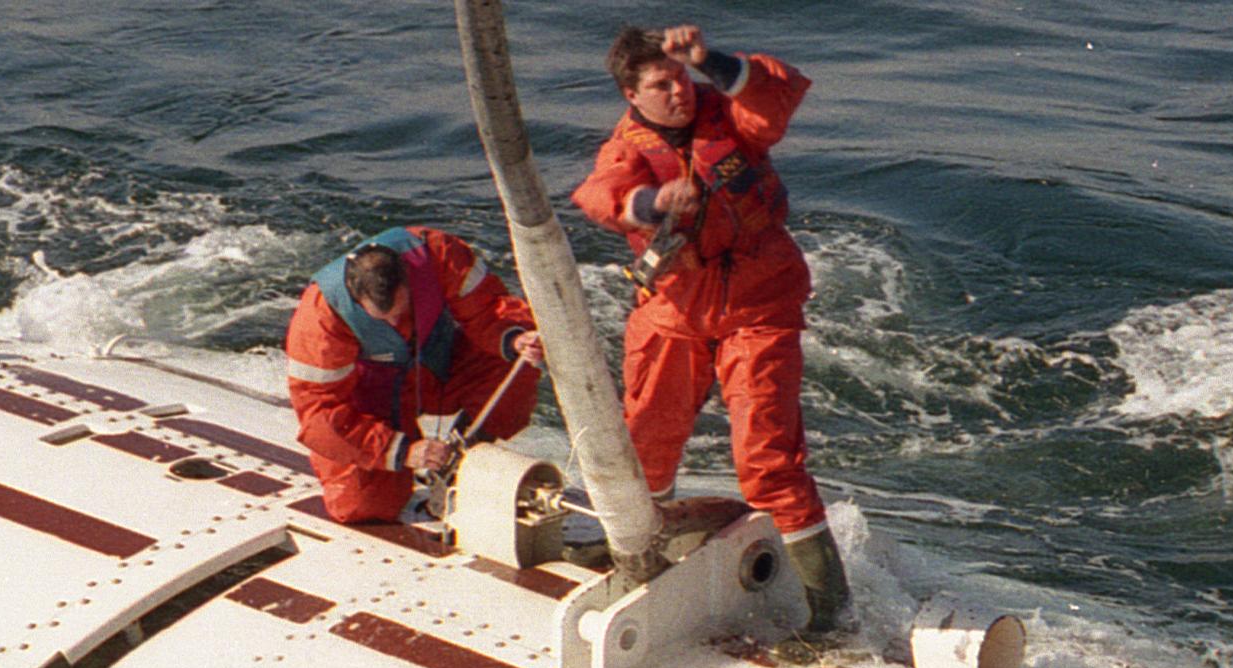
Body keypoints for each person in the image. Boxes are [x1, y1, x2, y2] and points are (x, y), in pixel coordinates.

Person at [572, 23, 847, 635]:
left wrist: (711, 60)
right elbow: (600, 196)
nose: (678, 92)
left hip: (759, 302)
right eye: (660, 84)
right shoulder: (626, 148)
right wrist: (652, 205)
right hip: (675, 305)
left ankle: (831, 612)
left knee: (768, 463)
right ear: (631, 95)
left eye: (680, 78)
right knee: (644, 445)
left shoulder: (729, 113)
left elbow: (776, 97)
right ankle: (641, 555)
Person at [284, 225, 544, 526]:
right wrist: (401, 451)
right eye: (383, 318)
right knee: (361, 507)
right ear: (356, 299)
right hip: (372, 398)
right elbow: (319, 415)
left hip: (433, 367)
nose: (395, 321)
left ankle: (469, 450)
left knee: (517, 360)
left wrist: (513, 339)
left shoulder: (441, 254)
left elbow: (489, 308)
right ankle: (408, 458)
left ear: (407, 277)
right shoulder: (318, 317)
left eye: (400, 310)